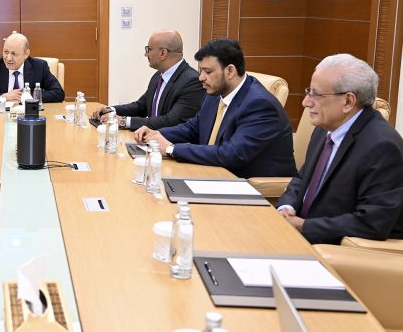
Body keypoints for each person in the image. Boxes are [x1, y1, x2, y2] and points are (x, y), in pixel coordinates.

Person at [277, 54, 403, 244]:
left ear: (348, 101)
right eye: (308, 92)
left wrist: (303, 226)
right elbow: (303, 178)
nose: (306, 102)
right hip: (297, 236)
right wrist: (286, 207)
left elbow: (372, 223)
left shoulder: (382, 147)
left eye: (316, 95)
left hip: (336, 249)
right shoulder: (324, 129)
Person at [135, 38, 295, 178]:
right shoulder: (214, 94)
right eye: (201, 71)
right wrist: (156, 134)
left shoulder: (260, 104)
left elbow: (232, 154)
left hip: (247, 184)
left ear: (230, 71)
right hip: (212, 173)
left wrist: (171, 149)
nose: (201, 78)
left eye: (208, 72)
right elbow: (192, 128)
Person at [90, 30, 204, 130]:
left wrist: (124, 121)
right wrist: (111, 110)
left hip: (170, 145)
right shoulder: (158, 76)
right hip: (150, 140)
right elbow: (141, 106)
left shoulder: (192, 81)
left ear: (163, 53)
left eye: (148, 49)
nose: (146, 54)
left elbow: (171, 121)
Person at [0, 32, 65, 104]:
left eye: (14, 54)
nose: (8, 58)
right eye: (5, 52)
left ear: (26, 54)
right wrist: (3, 96)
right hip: (0, 117)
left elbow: (58, 93)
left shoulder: (39, 66)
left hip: (29, 116)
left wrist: (27, 96)